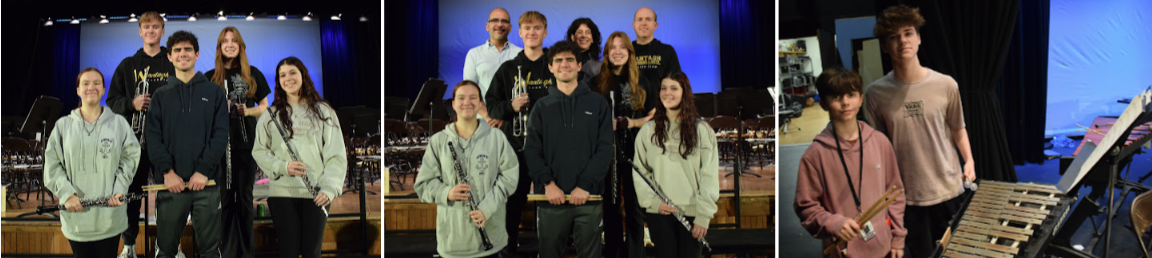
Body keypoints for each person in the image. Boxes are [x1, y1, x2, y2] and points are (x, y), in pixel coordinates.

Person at [863, 5, 973, 257]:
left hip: (949, 189)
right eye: (893, 36)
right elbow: (878, 149)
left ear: (919, 38)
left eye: (908, 33)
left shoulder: (946, 84)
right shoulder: (875, 94)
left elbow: (959, 129)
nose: (902, 41)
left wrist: (969, 161)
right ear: (884, 46)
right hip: (908, 197)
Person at [796, 67, 907, 258]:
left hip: (884, 247)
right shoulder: (814, 155)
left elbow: (895, 194)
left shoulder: (880, 142)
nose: (845, 102)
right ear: (823, 104)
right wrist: (833, 223)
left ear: (861, 99)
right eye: (836, 97)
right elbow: (806, 206)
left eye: (851, 94)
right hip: (842, 251)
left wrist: (898, 237)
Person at [252, 56, 347, 258]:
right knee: (288, 252)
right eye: (282, 75)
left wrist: (330, 188)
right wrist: (282, 166)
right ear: (278, 81)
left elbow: (336, 155)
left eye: (292, 72)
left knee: (312, 253)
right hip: (282, 193)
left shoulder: (324, 112)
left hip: (316, 193)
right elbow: (259, 151)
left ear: (303, 75)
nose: (288, 78)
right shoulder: (271, 114)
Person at [525, 40, 612, 258]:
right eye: (559, 61)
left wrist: (584, 186)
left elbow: (604, 150)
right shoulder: (541, 107)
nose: (565, 64)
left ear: (579, 65)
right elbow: (532, 151)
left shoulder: (598, 104)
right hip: (550, 198)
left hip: (588, 197)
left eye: (570, 60)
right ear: (551, 67)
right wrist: (548, 184)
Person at [414, 80, 520, 258]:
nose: (467, 102)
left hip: (491, 238)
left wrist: (486, 208)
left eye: (473, 98)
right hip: (452, 242)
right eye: (461, 98)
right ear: (453, 104)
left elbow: (509, 178)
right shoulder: (438, 141)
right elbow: (423, 185)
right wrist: (446, 192)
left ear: (480, 104)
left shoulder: (496, 137)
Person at [146, 30, 228, 258]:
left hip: (207, 185)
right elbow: (153, 138)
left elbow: (220, 135)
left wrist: (203, 171)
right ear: (170, 57)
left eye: (188, 49)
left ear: (197, 54)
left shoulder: (214, 92)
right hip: (171, 187)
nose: (183, 54)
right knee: (165, 252)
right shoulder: (160, 96)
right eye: (177, 50)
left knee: (211, 252)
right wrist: (167, 172)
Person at [43, 68, 141, 258]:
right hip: (77, 218)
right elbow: (52, 165)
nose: (91, 87)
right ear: (78, 90)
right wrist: (67, 194)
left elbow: (130, 158)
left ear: (104, 89)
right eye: (85, 83)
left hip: (109, 216)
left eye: (97, 83)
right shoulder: (63, 126)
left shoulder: (119, 123)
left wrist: (120, 189)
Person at [104, 11, 175, 258]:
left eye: (156, 27)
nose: (151, 30)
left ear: (163, 31)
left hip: (166, 142)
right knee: (132, 196)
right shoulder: (127, 65)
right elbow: (112, 100)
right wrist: (131, 104)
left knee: (168, 196)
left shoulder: (172, 62)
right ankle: (129, 245)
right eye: (147, 26)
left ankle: (167, 246)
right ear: (140, 31)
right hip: (133, 142)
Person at [483, 10, 554, 256]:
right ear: (520, 32)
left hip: (550, 148)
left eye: (537, 28)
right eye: (528, 28)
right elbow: (491, 104)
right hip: (516, 147)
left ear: (545, 32)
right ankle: (508, 248)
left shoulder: (556, 64)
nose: (532, 33)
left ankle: (549, 249)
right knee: (513, 202)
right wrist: (509, 107)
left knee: (550, 202)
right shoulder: (509, 68)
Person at [631, 71, 719, 258]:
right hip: (660, 214)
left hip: (692, 214)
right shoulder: (648, 131)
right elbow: (640, 172)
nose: (667, 93)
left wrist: (703, 216)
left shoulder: (702, 130)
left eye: (673, 88)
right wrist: (653, 202)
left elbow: (709, 175)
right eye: (663, 88)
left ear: (684, 92)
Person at [204, 26, 271, 258]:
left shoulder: (252, 74)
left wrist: (246, 111)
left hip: (246, 144)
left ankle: (246, 252)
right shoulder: (209, 78)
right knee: (223, 200)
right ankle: (225, 251)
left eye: (234, 41)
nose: (229, 44)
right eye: (225, 41)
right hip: (220, 148)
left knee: (244, 200)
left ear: (240, 46)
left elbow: (265, 107)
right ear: (219, 47)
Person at [594, 31, 657, 258]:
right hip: (607, 154)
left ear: (629, 52)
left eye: (622, 48)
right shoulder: (597, 82)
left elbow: (655, 116)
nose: (617, 52)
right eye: (613, 48)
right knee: (610, 207)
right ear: (607, 53)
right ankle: (612, 253)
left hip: (635, 152)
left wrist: (633, 122)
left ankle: (634, 253)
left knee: (633, 208)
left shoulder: (642, 81)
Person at [463, 7, 522, 124]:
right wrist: (489, 116)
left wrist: (505, 113)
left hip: (512, 122)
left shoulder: (520, 54)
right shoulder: (473, 54)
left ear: (510, 28)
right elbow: (469, 91)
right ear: (487, 26)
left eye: (504, 21)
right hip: (483, 122)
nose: (499, 24)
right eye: (495, 20)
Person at [631, 7, 681, 90]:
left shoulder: (667, 51)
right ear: (634, 25)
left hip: (659, 102)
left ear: (655, 25)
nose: (644, 23)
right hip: (631, 102)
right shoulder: (626, 51)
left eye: (648, 19)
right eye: (640, 19)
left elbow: (676, 83)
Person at [565, 18, 602, 85]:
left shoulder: (599, 67)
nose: (584, 36)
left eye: (587, 32)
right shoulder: (563, 63)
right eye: (580, 32)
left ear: (592, 39)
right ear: (572, 37)